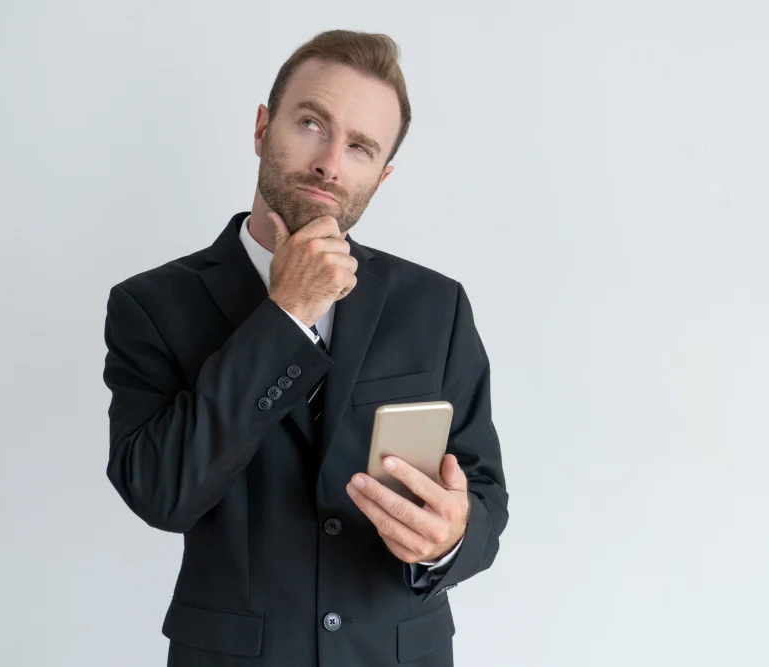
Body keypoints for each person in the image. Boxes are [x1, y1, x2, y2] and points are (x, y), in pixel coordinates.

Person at [102, 29, 509, 667]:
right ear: (263, 127)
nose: (330, 164)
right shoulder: (150, 307)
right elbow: (161, 491)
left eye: (361, 147)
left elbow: (483, 488)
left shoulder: (436, 306)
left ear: (382, 174)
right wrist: (285, 315)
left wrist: (451, 536)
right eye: (312, 123)